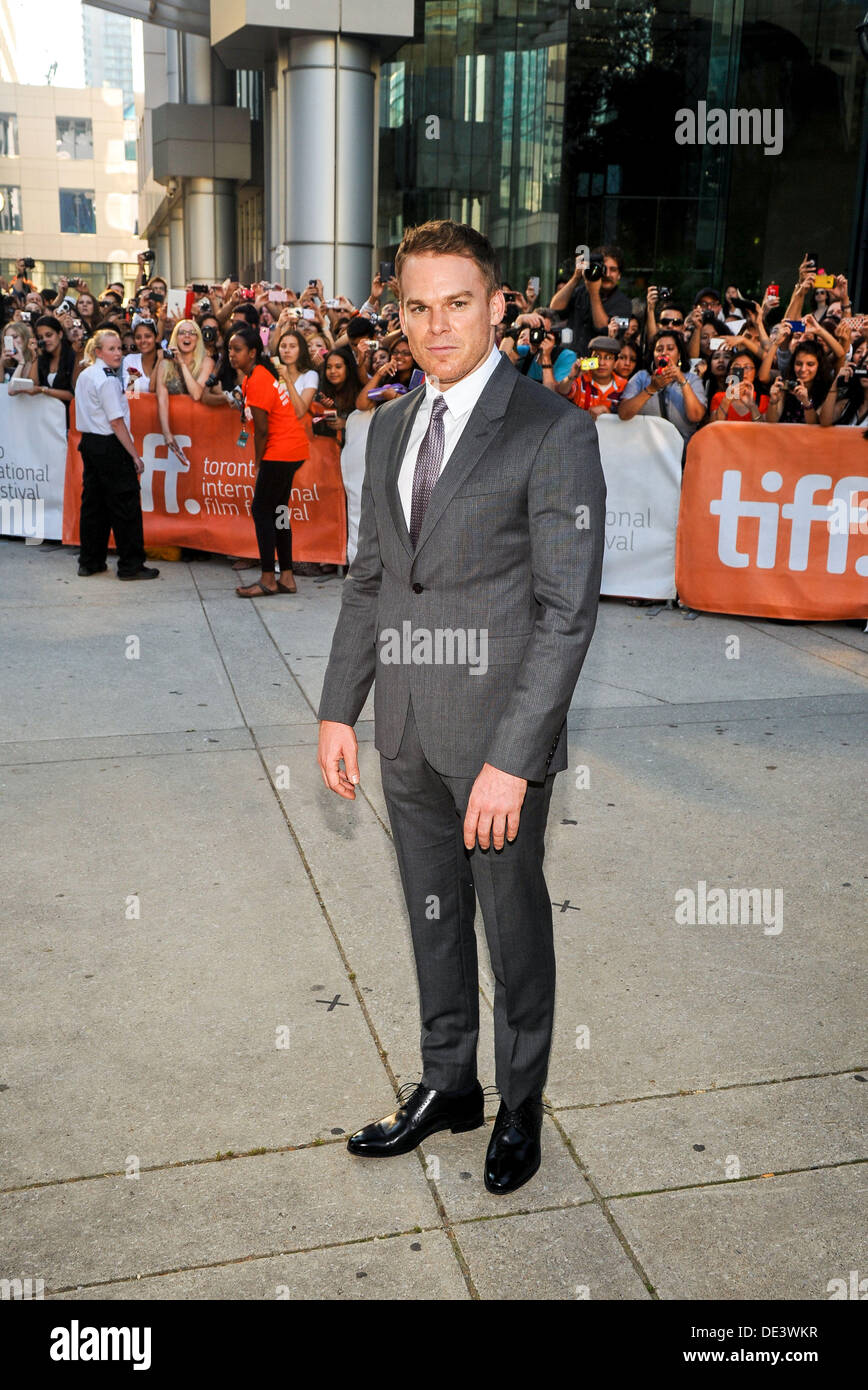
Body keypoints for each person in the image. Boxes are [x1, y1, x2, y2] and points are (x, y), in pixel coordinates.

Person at [316, 218, 606, 1196]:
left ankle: (519, 1102)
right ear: (396, 312)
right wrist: (335, 708)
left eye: (456, 302)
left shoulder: (552, 430)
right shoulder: (389, 425)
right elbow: (371, 582)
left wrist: (514, 759)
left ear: (495, 305)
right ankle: (450, 1084)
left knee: (511, 926)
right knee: (431, 915)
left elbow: (566, 614)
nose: (436, 325)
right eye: (416, 305)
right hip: (401, 725)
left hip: (494, 743)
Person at [227, 324, 311, 597]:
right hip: (292, 449)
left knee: (262, 511)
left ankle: (268, 578)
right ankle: (286, 576)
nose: (231, 354)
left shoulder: (259, 378)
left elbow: (262, 429)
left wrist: (258, 462)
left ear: (252, 352)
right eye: (229, 349)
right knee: (279, 513)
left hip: (281, 450)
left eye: (237, 349)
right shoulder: (257, 375)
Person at [73, 328, 158, 581]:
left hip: (90, 444)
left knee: (94, 505)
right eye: (111, 348)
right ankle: (131, 565)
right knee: (125, 507)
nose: (118, 353)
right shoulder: (107, 379)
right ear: (98, 351)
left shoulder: (87, 374)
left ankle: (90, 561)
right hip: (110, 445)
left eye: (120, 348)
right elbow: (117, 422)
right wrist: (135, 455)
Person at [618, 330, 707, 442]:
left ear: (679, 355)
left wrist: (682, 380)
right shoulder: (641, 377)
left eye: (670, 349)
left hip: (681, 452)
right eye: (659, 350)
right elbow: (623, 413)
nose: (664, 353)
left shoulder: (692, 380)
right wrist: (651, 389)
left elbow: (696, 416)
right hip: (645, 449)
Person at [549, 245, 632, 355]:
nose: (607, 274)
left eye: (613, 270)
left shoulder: (623, 303)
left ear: (619, 275)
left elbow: (602, 328)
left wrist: (594, 293)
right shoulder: (581, 292)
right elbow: (554, 308)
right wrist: (576, 277)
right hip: (569, 358)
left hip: (596, 364)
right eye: (603, 268)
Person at [764, 341, 831, 424]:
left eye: (810, 364)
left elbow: (815, 425)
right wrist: (773, 401)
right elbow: (771, 422)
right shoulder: (786, 386)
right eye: (798, 364)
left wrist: (806, 402)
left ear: (819, 365)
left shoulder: (827, 390)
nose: (803, 369)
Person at [559, 335, 626, 415]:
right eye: (597, 356)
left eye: (608, 358)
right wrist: (571, 376)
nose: (601, 363)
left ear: (615, 363)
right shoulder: (580, 379)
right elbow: (562, 392)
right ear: (590, 358)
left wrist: (607, 411)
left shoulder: (623, 385)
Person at [33, 316, 76, 424]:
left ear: (60, 334)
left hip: (69, 420)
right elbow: (34, 383)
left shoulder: (72, 357)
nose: (45, 340)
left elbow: (73, 394)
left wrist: (43, 390)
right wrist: (34, 356)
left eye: (49, 335)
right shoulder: (43, 358)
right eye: (40, 337)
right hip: (48, 420)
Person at [708, 348, 769, 421]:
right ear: (729, 373)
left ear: (755, 373)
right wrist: (727, 399)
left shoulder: (764, 399)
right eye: (737, 367)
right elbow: (714, 427)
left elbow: (763, 430)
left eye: (747, 367)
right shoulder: (719, 397)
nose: (742, 372)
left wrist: (752, 406)